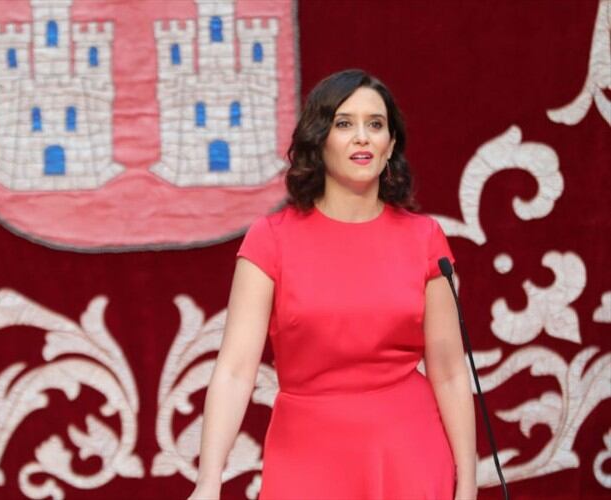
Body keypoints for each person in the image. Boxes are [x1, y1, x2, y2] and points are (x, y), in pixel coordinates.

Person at [187, 69, 477, 500]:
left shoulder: (425, 238)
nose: (362, 137)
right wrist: (208, 481)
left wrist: (467, 483)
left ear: (390, 145)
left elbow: (450, 372)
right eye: (344, 123)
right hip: (306, 455)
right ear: (319, 140)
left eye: (375, 125)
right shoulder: (271, 239)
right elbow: (234, 370)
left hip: (410, 452)